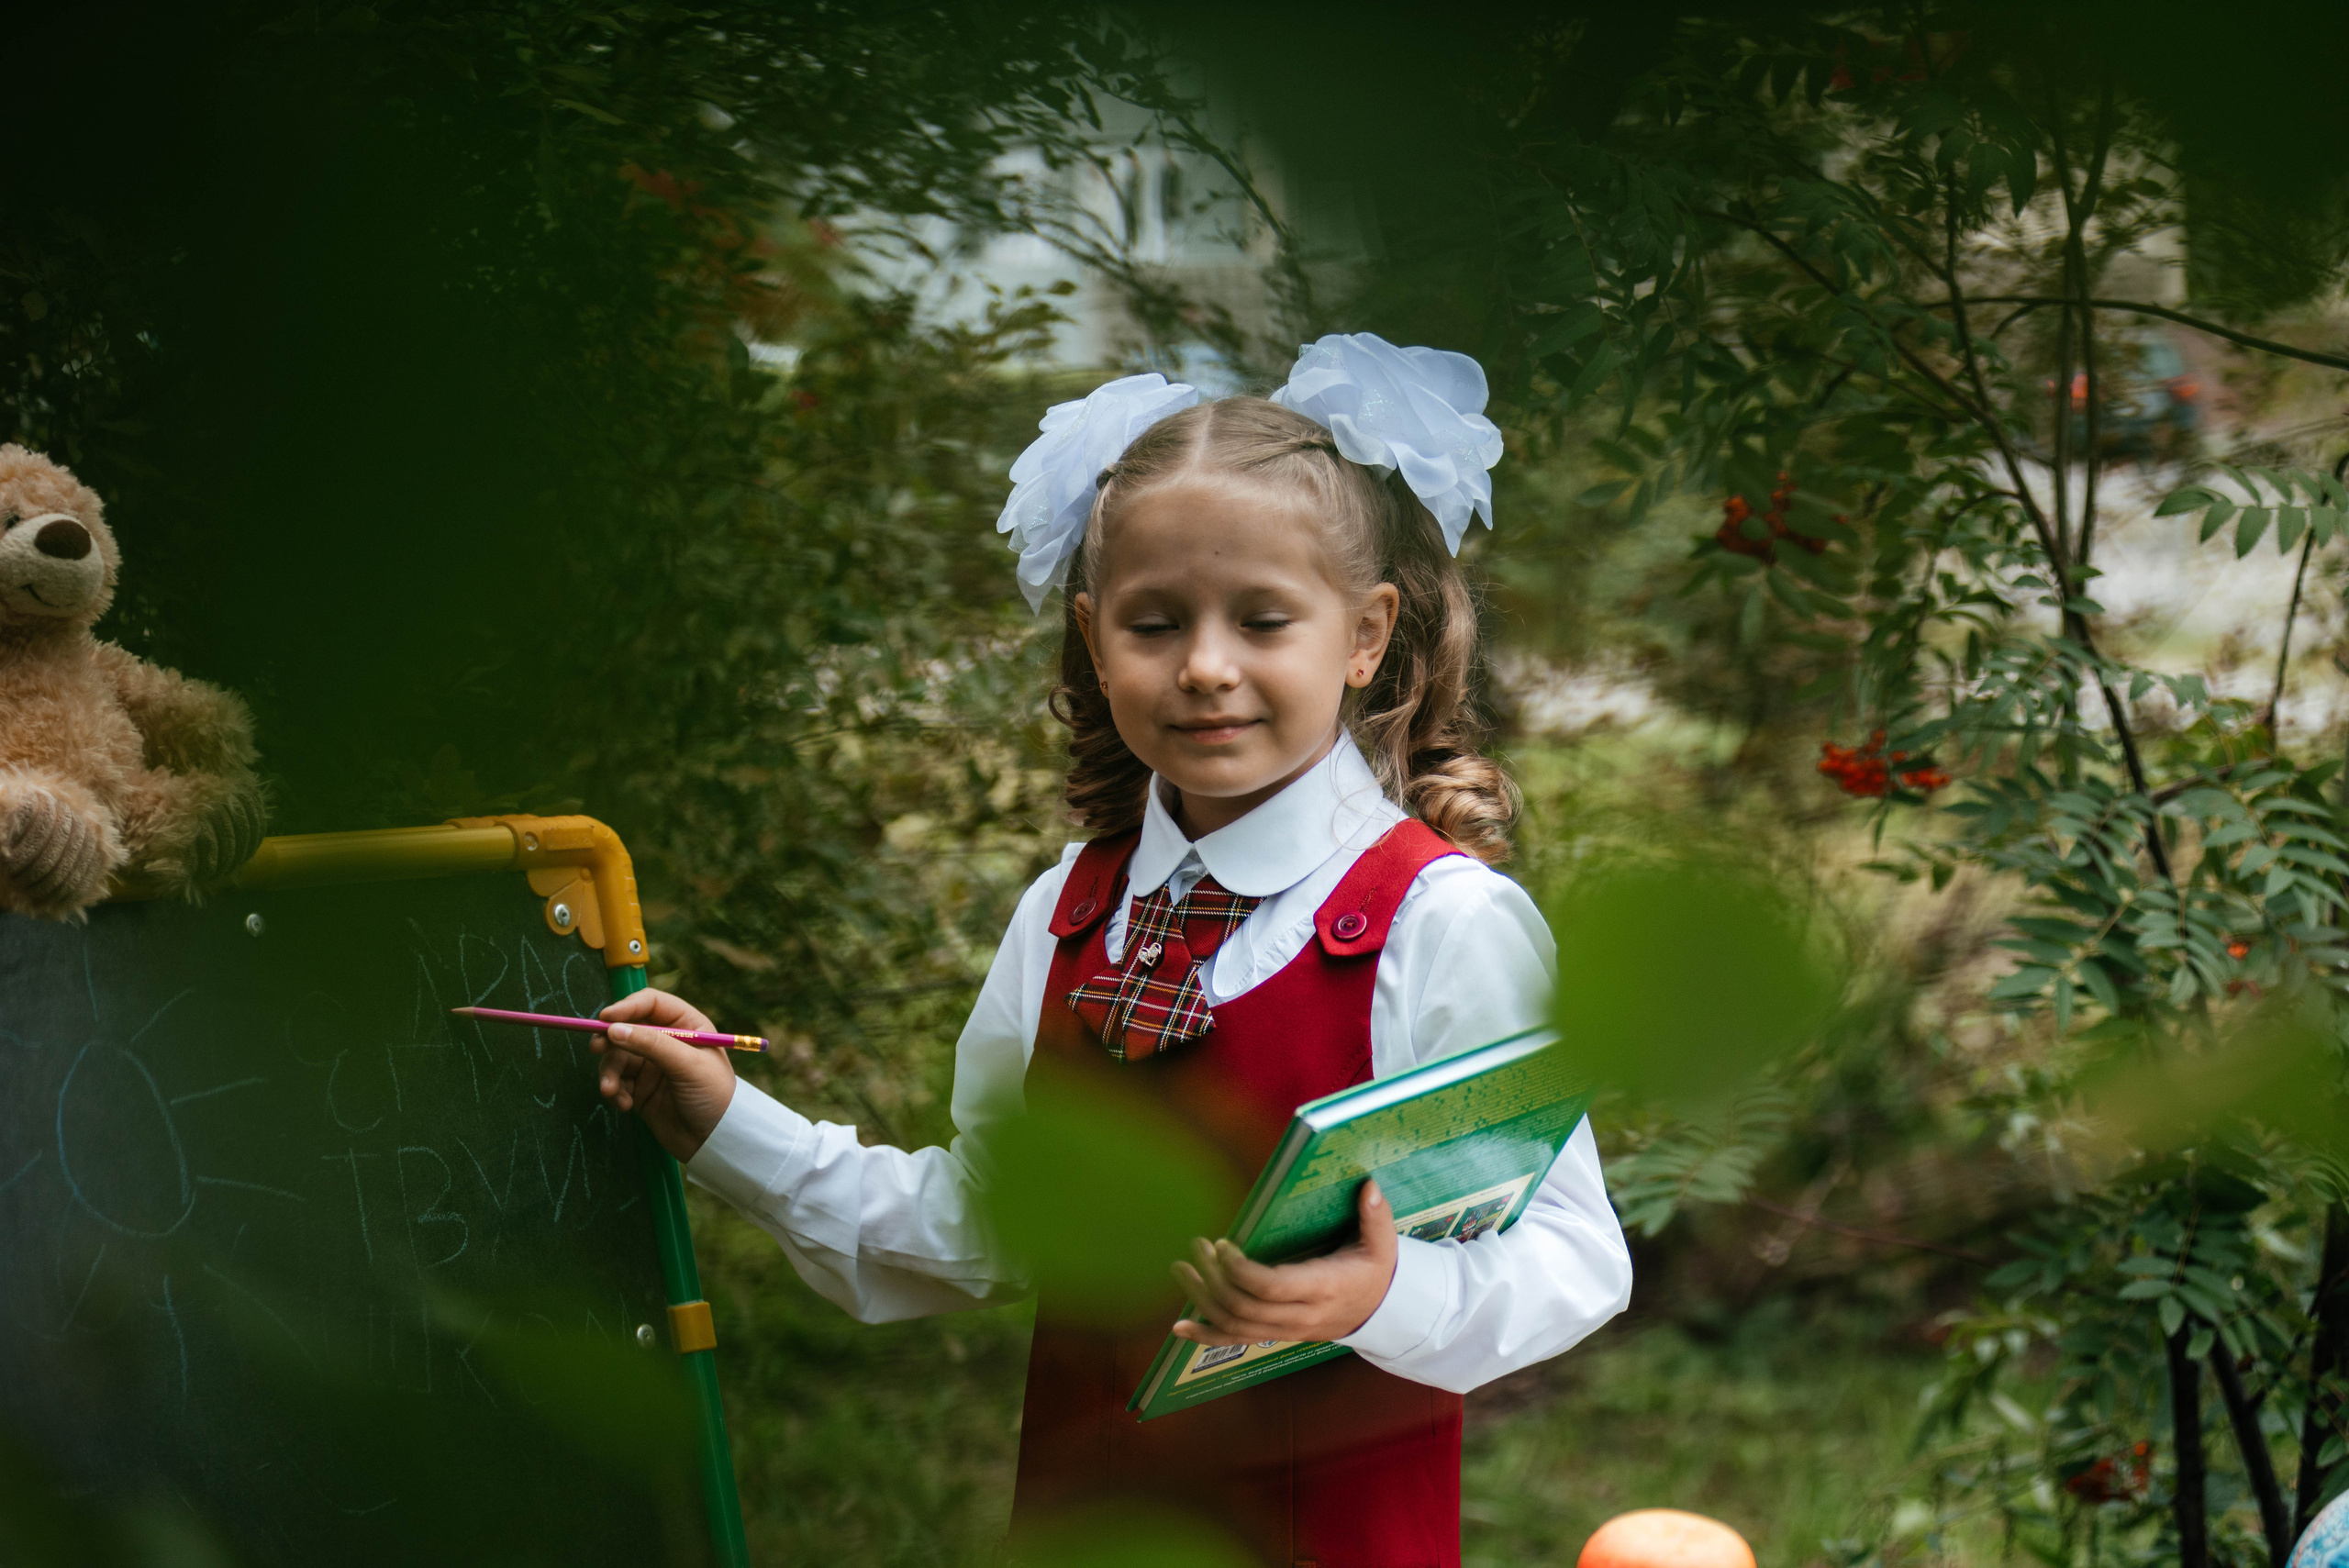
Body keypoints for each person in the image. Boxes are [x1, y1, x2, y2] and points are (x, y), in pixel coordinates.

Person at [590, 333, 1633, 1567]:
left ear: (1363, 635)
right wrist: (728, 1124)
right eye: (1154, 621)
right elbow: (992, 1224)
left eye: (1261, 618)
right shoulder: (1068, 917)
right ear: (1093, 636)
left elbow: (1574, 1254)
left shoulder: (1434, 922)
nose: (1204, 665)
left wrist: (1381, 1295)